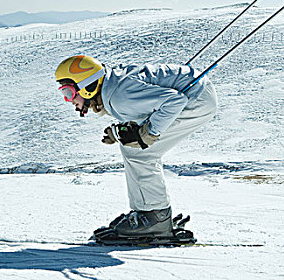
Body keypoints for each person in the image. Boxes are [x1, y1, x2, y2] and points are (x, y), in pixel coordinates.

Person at [55, 55, 217, 239]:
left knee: (140, 152)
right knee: (134, 147)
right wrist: (121, 134)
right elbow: (142, 111)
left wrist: (150, 133)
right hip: (197, 91)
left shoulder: (120, 96)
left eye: (68, 93)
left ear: (87, 86)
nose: (69, 101)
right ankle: (147, 213)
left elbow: (174, 101)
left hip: (196, 99)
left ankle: (154, 218)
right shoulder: (113, 87)